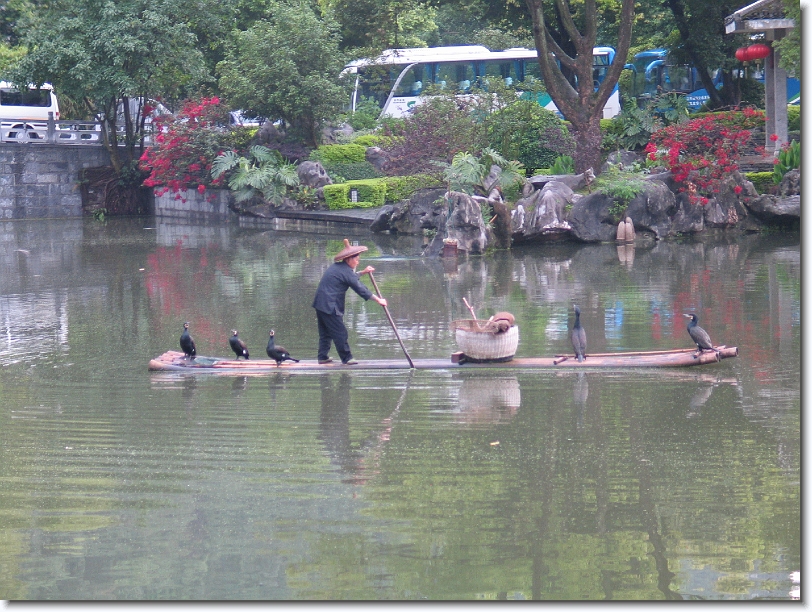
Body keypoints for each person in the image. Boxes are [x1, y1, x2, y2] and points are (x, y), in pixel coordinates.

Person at [312, 239, 387, 365]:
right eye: (356, 259)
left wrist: (363, 272)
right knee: (340, 331)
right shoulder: (345, 271)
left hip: (320, 303)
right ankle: (347, 358)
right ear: (349, 259)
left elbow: (350, 277)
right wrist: (378, 299)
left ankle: (322, 356)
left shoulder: (338, 267)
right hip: (330, 305)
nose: (358, 261)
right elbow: (361, 289)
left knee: (325, 332)